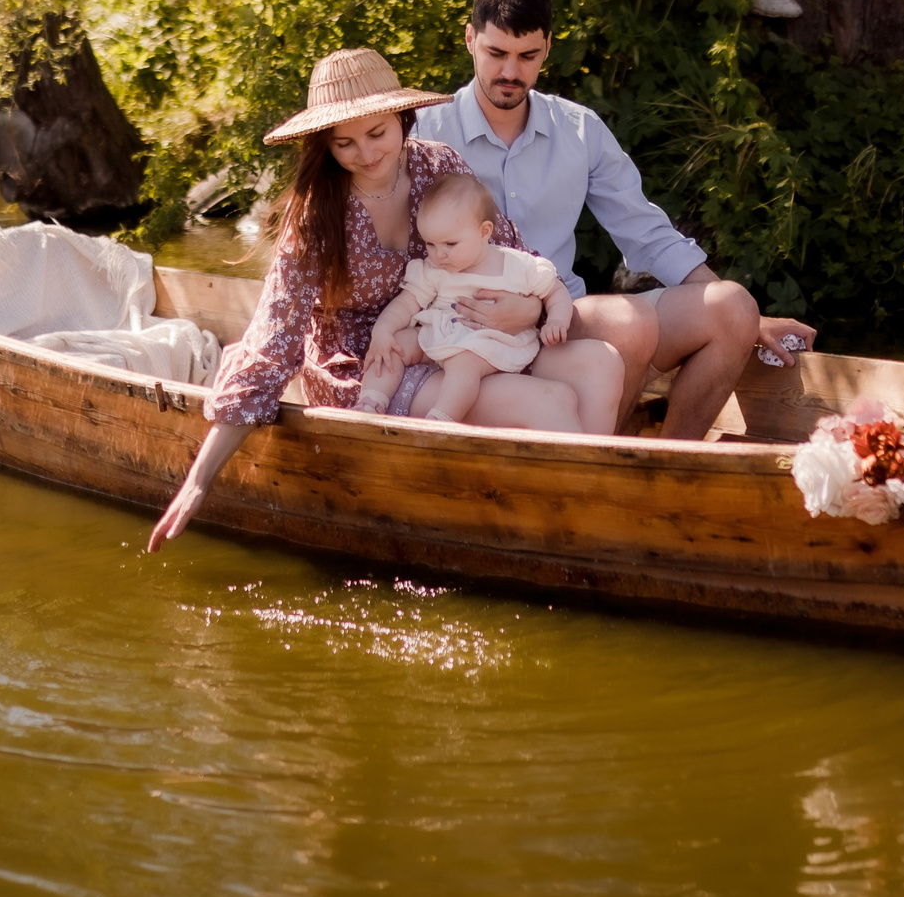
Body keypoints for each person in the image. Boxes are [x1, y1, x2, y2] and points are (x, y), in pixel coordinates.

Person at [144, 48, 625, 549]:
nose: (367, 154)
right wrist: (200, 480)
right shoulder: (317, 216)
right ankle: (580, 533)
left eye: (378, 133)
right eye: (344, 143)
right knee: (551, 402)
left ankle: (585, 505)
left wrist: (533, 307)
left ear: (402, 117)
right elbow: (273, 340)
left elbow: (506, 249)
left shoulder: (438, 165)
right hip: (372, 364)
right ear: (324, 145)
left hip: (467, 327)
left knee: (600, 362)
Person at [413, 0, 817, 438]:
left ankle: (667, 467)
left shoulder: (578, 129)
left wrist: (753, 323)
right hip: (464, 325)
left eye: (527, 56)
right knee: (628, 325)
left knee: (733, 308)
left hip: (562, 318)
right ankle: (606, 460)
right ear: (470, 39)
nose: (510, 72)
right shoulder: (427, 133)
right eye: (496, 53)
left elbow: (647, 234)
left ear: (547, 48)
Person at [361, 173, 595, 431]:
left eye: (450, 243)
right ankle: (370, 402)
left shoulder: (516, 266)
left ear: (484, 232)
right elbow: (406, 304)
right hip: (441, 333)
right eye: (430, 243)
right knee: (395, 345)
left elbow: (554, 290)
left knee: (464, 364)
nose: (439, 254)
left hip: (487, 342)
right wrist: (383, 332)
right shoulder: (434, 269)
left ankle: (442, 419)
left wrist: (557, 319)